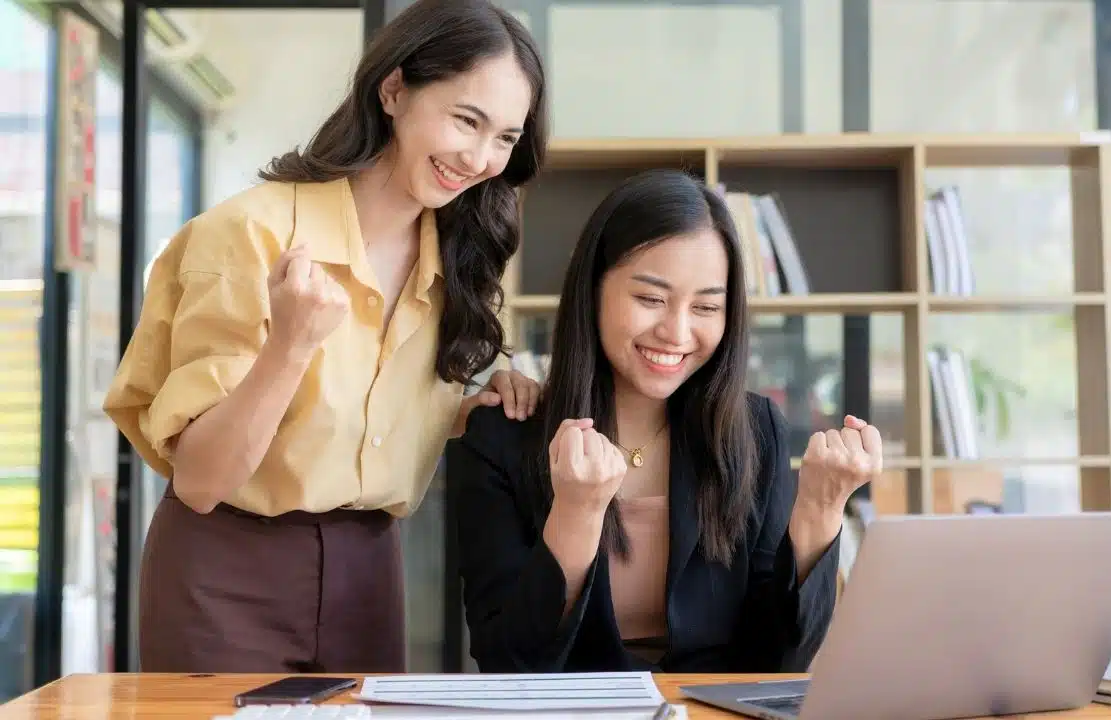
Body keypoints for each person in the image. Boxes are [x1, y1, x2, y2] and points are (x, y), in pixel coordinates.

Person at [102, 0, 548, 674]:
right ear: (394, 90)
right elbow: (200, 481)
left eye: (506, 138)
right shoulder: (248, 235)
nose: (481, 157)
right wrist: (289, 347)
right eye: (466, 120)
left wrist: (479, 403)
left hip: (369, 568)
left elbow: (366, 415)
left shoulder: (459, 258)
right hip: (226, 571)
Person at [451, 169, 883, 674]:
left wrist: (821, 508)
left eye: (705, 306)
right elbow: (508, 664)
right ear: (593, 289)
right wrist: (575, 514)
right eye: (650, 299)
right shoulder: (504, 435)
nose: (677, 332)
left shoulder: (752, 430)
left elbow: (781, 660)